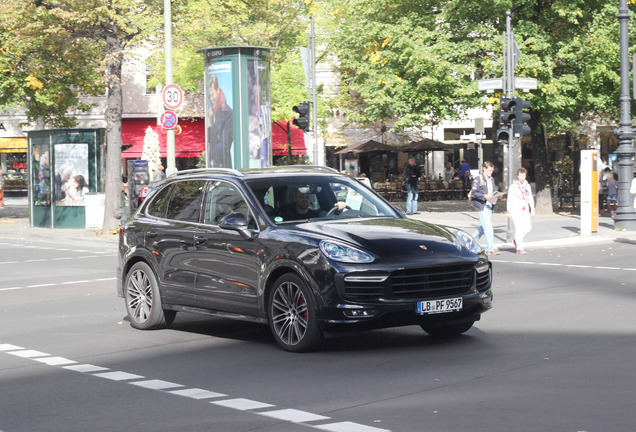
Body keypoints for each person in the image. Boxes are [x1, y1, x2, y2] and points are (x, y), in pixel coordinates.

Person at [470, 161, 503, 255]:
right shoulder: (478, 179)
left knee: (484, 226)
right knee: (488, 227)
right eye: (489, 170)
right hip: (481, 205)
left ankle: (468, 242)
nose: (491, 172)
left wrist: (497, 196)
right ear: (484, 168)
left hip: (489, 204)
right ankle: (490, 249)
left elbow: (492, 191)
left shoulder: (491, 179)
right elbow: (474, 193)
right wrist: (484, 196)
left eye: (492, 170)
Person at [207, 74, 234, 168]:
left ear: (218, 91)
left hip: (222, 165)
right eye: (209, 96)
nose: (211, 98)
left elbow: (225, 144)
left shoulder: (227, 112)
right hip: (214, 164)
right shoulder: (211, 112)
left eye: (212, 95)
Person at [506, 168, 535, 254]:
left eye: (523, 175)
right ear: (517, 176)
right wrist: (509, 211)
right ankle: (519, 247)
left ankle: (516, 240)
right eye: (520, 176)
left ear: (525, 176)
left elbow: (530, 197)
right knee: (519, 228)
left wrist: (532, 208)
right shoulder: (513, 186)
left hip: (525, 209)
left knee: (527, 228)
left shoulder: (527, 185)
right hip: (516, 210)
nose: (522, 177)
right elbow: (509, 199)